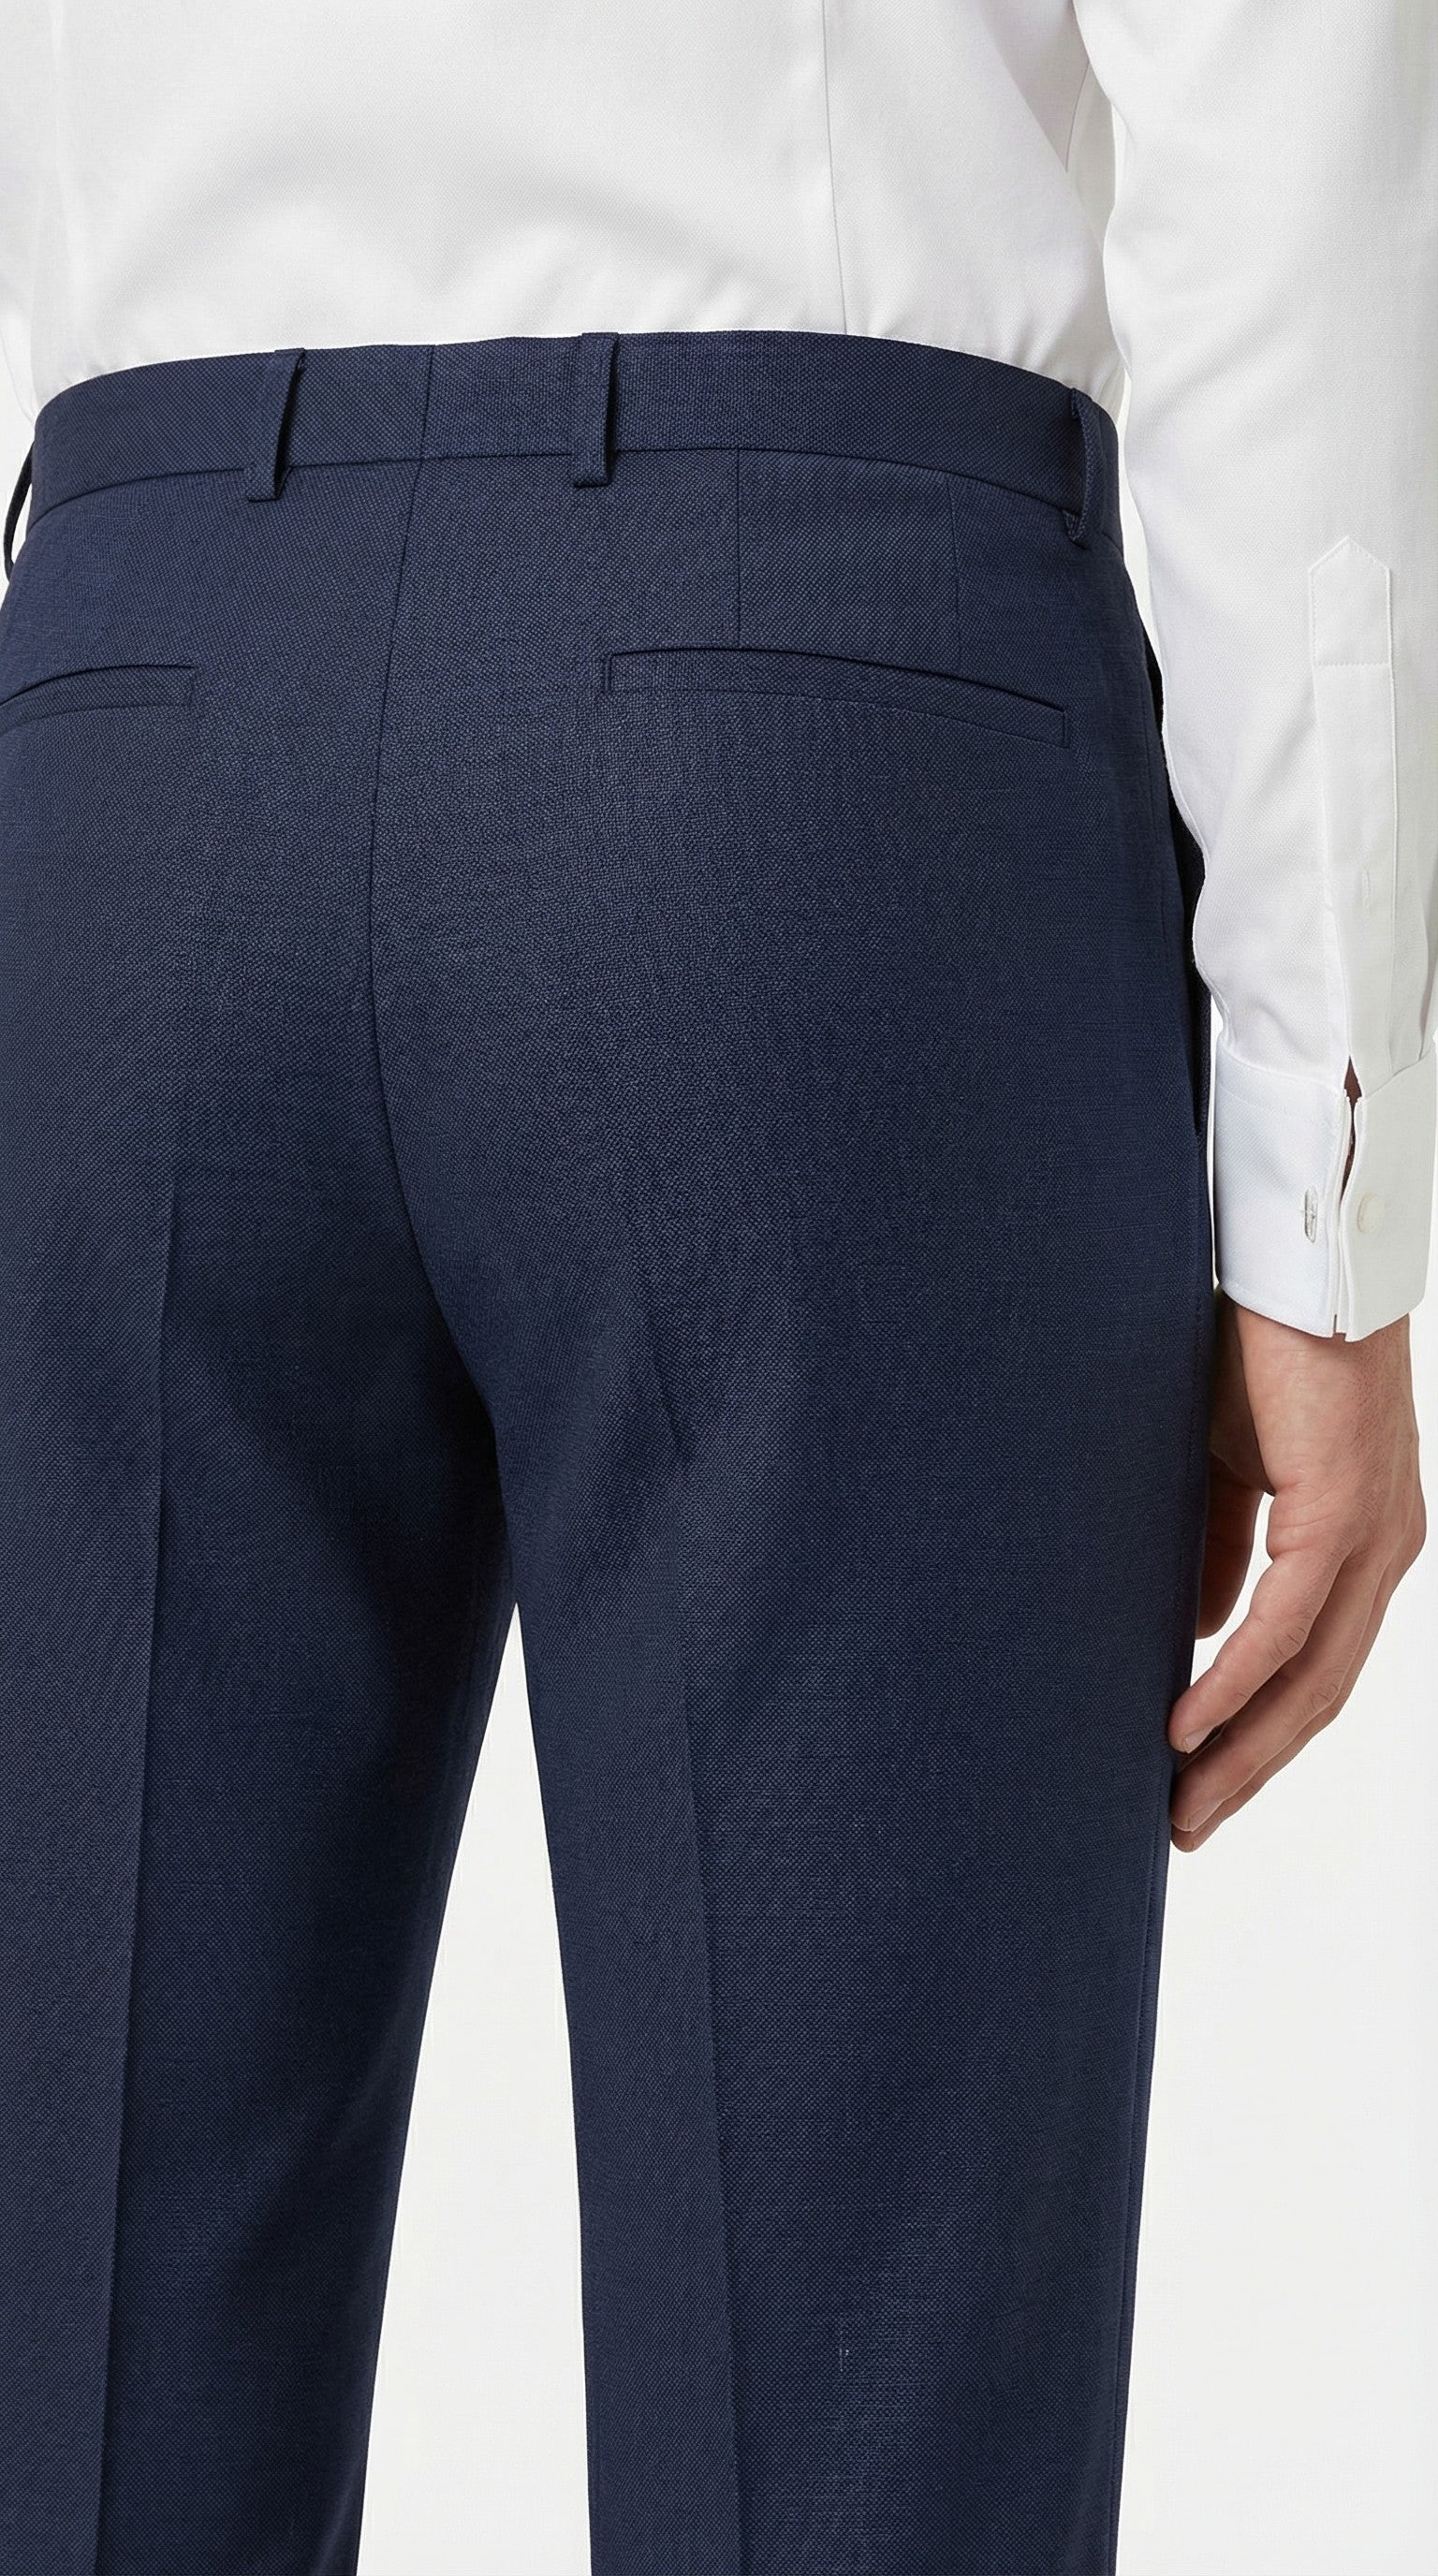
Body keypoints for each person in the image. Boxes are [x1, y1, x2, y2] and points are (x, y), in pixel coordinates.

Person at [0, 4, 1431, 2571]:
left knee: (69, 2357)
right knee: (849, 2428)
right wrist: (1321, 1183)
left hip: (129, 689)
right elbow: (1278, 107)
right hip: (811, 716)